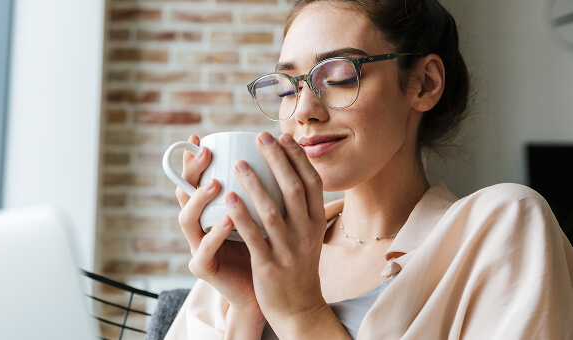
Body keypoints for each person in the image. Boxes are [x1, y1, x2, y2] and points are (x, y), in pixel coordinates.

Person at [164, 0, 573, 338]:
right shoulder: (255, 253)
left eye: (340, 76)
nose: (303, 111)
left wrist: (300, 311)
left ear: (425, 83)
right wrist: (246, 307)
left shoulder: (502, 226)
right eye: (289, 87)